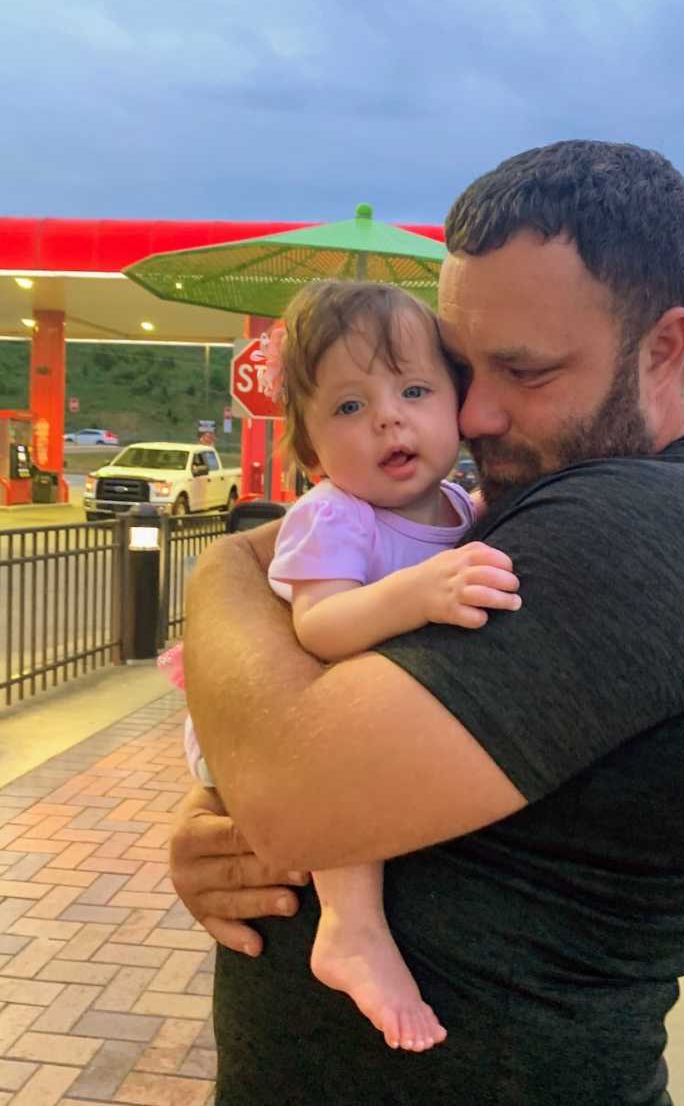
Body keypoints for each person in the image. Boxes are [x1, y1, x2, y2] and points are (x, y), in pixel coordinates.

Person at [170, 140, 684, 1106]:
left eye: (526, 371)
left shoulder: (653, 526)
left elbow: (297, 794)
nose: (472, 413)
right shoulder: (523, 492)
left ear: (665, 347)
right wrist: (217, 816)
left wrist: (218, 571)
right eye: (463, 367)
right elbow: (296, 747)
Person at [162, 281, 522, 1052]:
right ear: (310, 448)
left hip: (328, 714)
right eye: (350, 407)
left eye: (415, 389)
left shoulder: (466, 509)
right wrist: (416, 593)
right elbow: (320, 626)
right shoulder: (334, 515)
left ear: (456, 401)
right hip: (262, 719)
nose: (389, 416)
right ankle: (352, 931)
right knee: (339, 776)